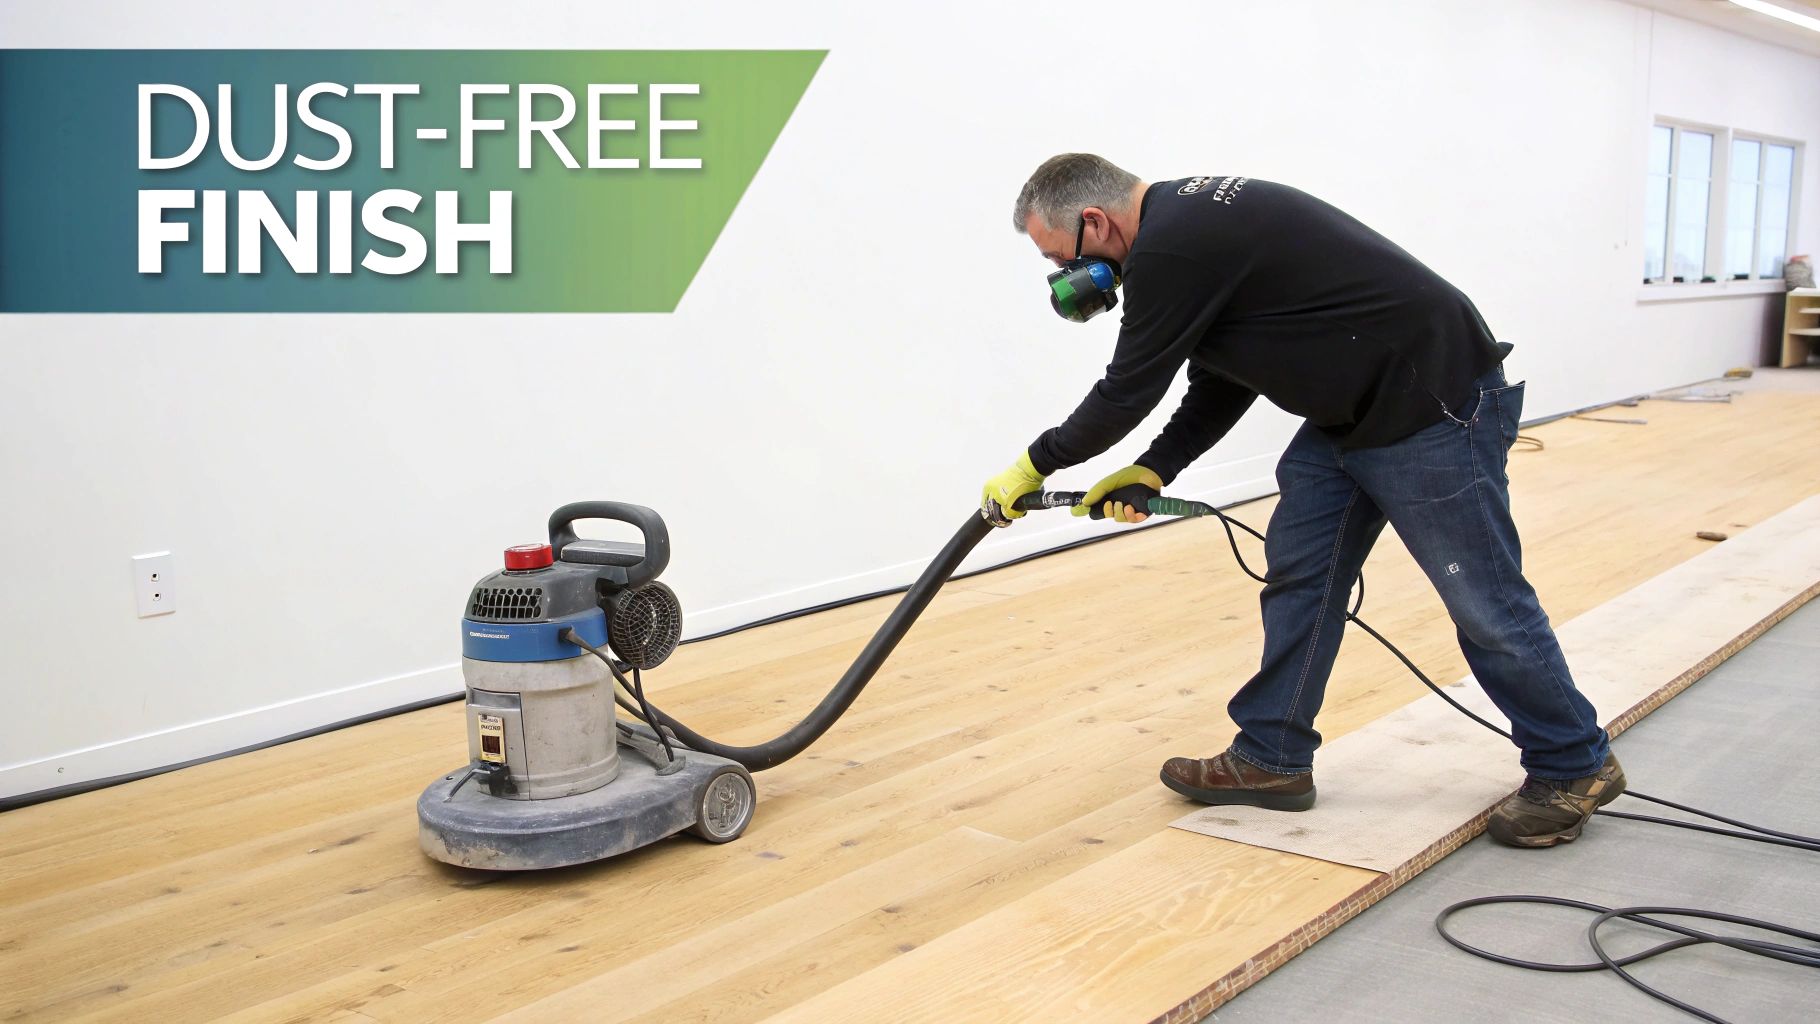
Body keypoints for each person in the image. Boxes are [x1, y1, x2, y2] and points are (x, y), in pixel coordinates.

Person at [980, 154, 1622, 848]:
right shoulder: (1184, 228)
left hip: (1431, 405)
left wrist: (1032, 465)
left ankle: (1573, 765)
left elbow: (1126, 390)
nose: (1067, 276)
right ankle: (1271, 756)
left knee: (1483, 601)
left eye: (1061, 256)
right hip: (1351, 415)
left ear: (1095, 221)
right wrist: (1154, 468)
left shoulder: (1170, 247)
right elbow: (1221, 379)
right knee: (1300, 573)